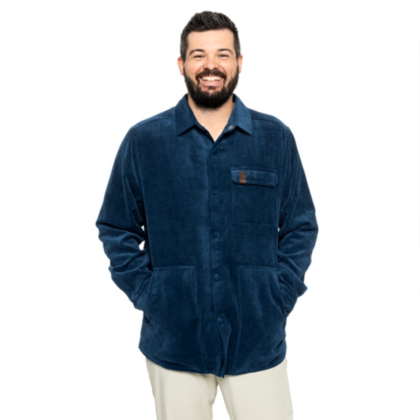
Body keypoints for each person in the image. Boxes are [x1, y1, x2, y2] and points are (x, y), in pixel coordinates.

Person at [95, 10, 319, 420]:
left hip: (257, 339)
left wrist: (279, 294)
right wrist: (151, 295)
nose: (210, 65)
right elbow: (116, 226)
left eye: (222, 54)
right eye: (199, 55)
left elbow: (300, 225)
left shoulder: (275, 138)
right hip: (174, 340)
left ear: (239, 63)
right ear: (182, 64)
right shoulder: (145, 141)